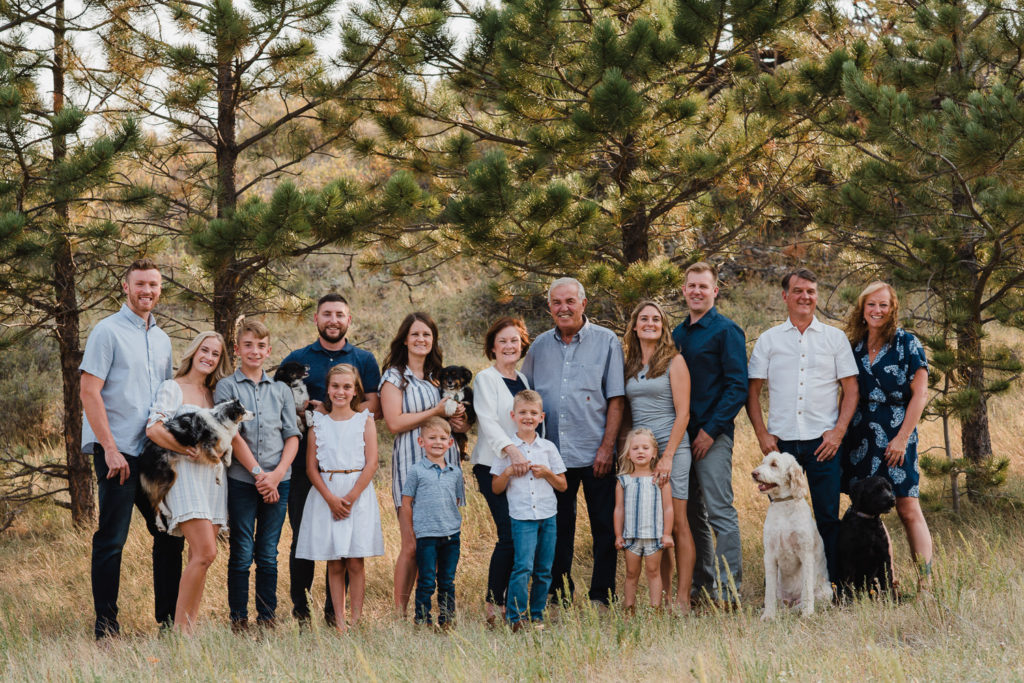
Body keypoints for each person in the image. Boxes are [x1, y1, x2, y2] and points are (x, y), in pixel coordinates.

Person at [81, 257, 185, 639]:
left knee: (169, 533)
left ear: (160, 290)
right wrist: (108, 448)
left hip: (153, 455)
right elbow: (89, 392)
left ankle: (168, 623)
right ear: (126, 287)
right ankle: (106, 627)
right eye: (140, 284)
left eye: (153, 285)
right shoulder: (106, 332)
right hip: (118, 453)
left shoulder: (161, 338)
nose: (147, 291)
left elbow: (166, 396)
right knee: (112, 539)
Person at [746, 268, 859, 580]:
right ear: (785, 296)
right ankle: (790, 586)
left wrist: (838, 432)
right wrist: (762, 434)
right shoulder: (769, 340)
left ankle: (834, 587)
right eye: (798, 291)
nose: (805, 296)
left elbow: (851, 389)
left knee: (826, 517)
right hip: (781, 447)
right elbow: (752, 391)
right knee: (782, 517)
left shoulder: (835, 339)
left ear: (816, 296)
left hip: (823, 444)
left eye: (811, 291)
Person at [521, 277, 625, 608]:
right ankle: (558, 595)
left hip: (596, 453)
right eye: (556, 302)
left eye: (570, 301)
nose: (563, 308)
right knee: (557, 532)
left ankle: (602, 596)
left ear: (583, 303)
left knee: (604, 529)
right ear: (549, 307)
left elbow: (617, 400)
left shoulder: (607, 341)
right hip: (554, 458)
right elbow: (526, 396)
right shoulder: (539, 347)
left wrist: (607, 448)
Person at [280, 293, 381, 625]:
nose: (333, 320)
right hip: (306, 466)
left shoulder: (364, 359)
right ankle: (302, 613)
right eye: (327, 314)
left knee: (345, 547)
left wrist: (336, 410)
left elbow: (374, 407)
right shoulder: (297, 358)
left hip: (348, 465)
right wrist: (312, 412)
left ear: (349, 319)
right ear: (316, 318)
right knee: (305, 537)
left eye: (340, 314)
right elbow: (282, 404)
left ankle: (333, 615)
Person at [842, 281, 933, 586]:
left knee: (907, 508)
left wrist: (902, 437)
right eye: (871, 304)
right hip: (861, 436)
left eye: (883, 305)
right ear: (862, 308)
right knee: (865, 512)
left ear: (893, 308)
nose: (877, 310)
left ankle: (925, 584)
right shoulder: (853, 345)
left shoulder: (908, 343)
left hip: (897, 433)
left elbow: (919, 395)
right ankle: (888, 581)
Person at [380, 312, 467, 617]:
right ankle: (401, 612)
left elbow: (452, 424)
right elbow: (393, 422)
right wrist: (438, 410)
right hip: (410, 467)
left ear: (433, 340)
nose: (421, 340)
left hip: (444, 468)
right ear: (405, 338)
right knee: (413, 544)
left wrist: (457, 420)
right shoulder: (394, 377)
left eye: (427, 335)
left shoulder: (438, 377)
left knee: (441, 543)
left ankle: (433, 609)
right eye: (415, 334)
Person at [145, 331, 233, 634]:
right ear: (194, 352)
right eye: (204, 351)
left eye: (215, 354)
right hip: (183, 477)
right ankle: (180, 630)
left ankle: (188, 628)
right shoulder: (173, 387)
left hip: (213, 481)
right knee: (206, 552)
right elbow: (154, 430)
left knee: (202, 557)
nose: (209, 358)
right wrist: (187, 449)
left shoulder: (214, 396)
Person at [216, 320, 302, 630]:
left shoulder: (280, 390)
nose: (255, 351)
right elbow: (232, 433)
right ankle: (238, 620)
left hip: (279, 482)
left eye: (261, 346)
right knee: (241, 550)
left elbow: (292, 435)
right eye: (248, 345)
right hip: (242, 481)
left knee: (268, 552)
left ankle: (267, 619)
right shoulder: (227, 386)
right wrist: (258, 475)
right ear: (237, 349)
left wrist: (276, 475)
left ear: (268, 351)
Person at [671, 262, 748, 605]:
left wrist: (710, 431)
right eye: (692, 286)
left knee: (719, 512)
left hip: (712, 437)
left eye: (704, 286)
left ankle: (729, 591)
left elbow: (737, 387)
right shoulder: (677, 334)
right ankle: (701, 586)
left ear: (715, 291)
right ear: (684, 290)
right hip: (679, 437)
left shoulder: (726, 331)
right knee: (690, 515)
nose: (697, 291)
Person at [294, 364, 384, 632]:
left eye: (347, 386)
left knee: (355, 560)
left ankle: (356, 620)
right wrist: (331, 499)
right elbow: (311, 468)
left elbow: (372, 463)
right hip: (327, 493)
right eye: (335, 386)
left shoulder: (364, 420)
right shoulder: (317, 424)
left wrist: (352, 496)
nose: (341, 391)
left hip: (357, 491)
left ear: (355, 390)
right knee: (334, 561)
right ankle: (340, 623)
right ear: (327, 389)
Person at [622, 299, 696, 612]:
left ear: (663, 326)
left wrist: (666, 457)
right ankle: (662, 597)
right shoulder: (629, 363)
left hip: (671, 447)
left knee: (677, 523)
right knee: (653, 527)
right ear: (635, 325)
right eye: (644, 319)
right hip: (642, 453)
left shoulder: (674, 361)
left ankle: (681, 598)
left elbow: (683, 414)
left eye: (656, 319)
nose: (650, 323)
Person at [470, 317, 532, 624]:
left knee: (520, 537)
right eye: (503, 341)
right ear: (493, 347)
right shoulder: (486, 379)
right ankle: (493, 606)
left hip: (522, 469)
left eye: (515, 341)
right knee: (508, 534)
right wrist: (512, 450)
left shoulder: (523, 380)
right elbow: (488, 421)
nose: (510, 346)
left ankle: (514, 603)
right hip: (493, 465)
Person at [491, 390, 567, 630]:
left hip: (548, 515)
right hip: (522, 517)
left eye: (533, 413)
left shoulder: (548, 448)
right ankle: (516, 617)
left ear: (541, 417)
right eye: (523, 412)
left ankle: (537, 615)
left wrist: (547, 473)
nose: (528, 417)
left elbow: (563, 485)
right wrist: (508, 472)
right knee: (523, 566)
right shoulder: (507, 449)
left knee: (544, 568)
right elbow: (495, 488)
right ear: (513, 415)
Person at [400, 417, 466, 628]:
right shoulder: (416, 471)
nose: (437, 442)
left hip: (451, 535)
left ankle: (447, 620)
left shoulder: (455, 473)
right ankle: (422, 621)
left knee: (447, 581)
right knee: (427, 580)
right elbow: (406, 503)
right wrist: (411, 532)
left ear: (450, 443)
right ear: (421, 442)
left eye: (442, 438)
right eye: (432, 438)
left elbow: (456, 501)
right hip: (426, 535)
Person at [614, 428, 675, 611]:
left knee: (653, 572)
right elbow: (619, 509)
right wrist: (618, 534)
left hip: (654, 537)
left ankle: (655, 610)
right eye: (635, 448)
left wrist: (667, 534)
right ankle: (629, 608)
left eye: (645, 447)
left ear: (654, 452)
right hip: (631, 536)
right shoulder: (624, 481)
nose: (640, 451)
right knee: (631, 573)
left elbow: (668, 508)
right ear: (628, 454)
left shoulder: (659, 480)